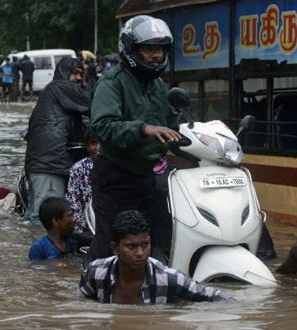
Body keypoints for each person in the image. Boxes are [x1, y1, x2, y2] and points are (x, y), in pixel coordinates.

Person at [86, 15, 183, 264]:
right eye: (148, 49)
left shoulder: (157, 85)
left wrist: (203, 129)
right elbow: (104, 126)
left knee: (148, 241)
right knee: (113, 244)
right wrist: (143, 129)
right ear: (131, 49)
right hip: (115, 177)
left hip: (146, 177)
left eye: (160, 50)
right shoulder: (112, 83)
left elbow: (172, 121)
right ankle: (94, 291)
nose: (157, 56)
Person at [78, 210, 229, 304]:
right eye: (131, 246)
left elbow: (218, 297)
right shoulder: (95, 273)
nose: (140, 253)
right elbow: (80, 306)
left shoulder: (170, 279)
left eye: (145, 245)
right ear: (115, 248)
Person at [22, 57, 90, 225]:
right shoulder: (59, 87)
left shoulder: (54, 93)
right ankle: (46, 251)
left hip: (45, 163)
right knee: (49, 220)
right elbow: (92, 101)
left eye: (81, 74)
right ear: (63, 73)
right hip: (50, 164)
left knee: (35, 218)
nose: (79, 78)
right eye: (75, 73)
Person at [65, 127, 99, 234]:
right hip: (86, 226)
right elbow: (73, 200)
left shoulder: (118, 167)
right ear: (87, 147)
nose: (98, 148)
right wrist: (80, 231)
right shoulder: (78, 168)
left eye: (102, 143)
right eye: (93, 143)